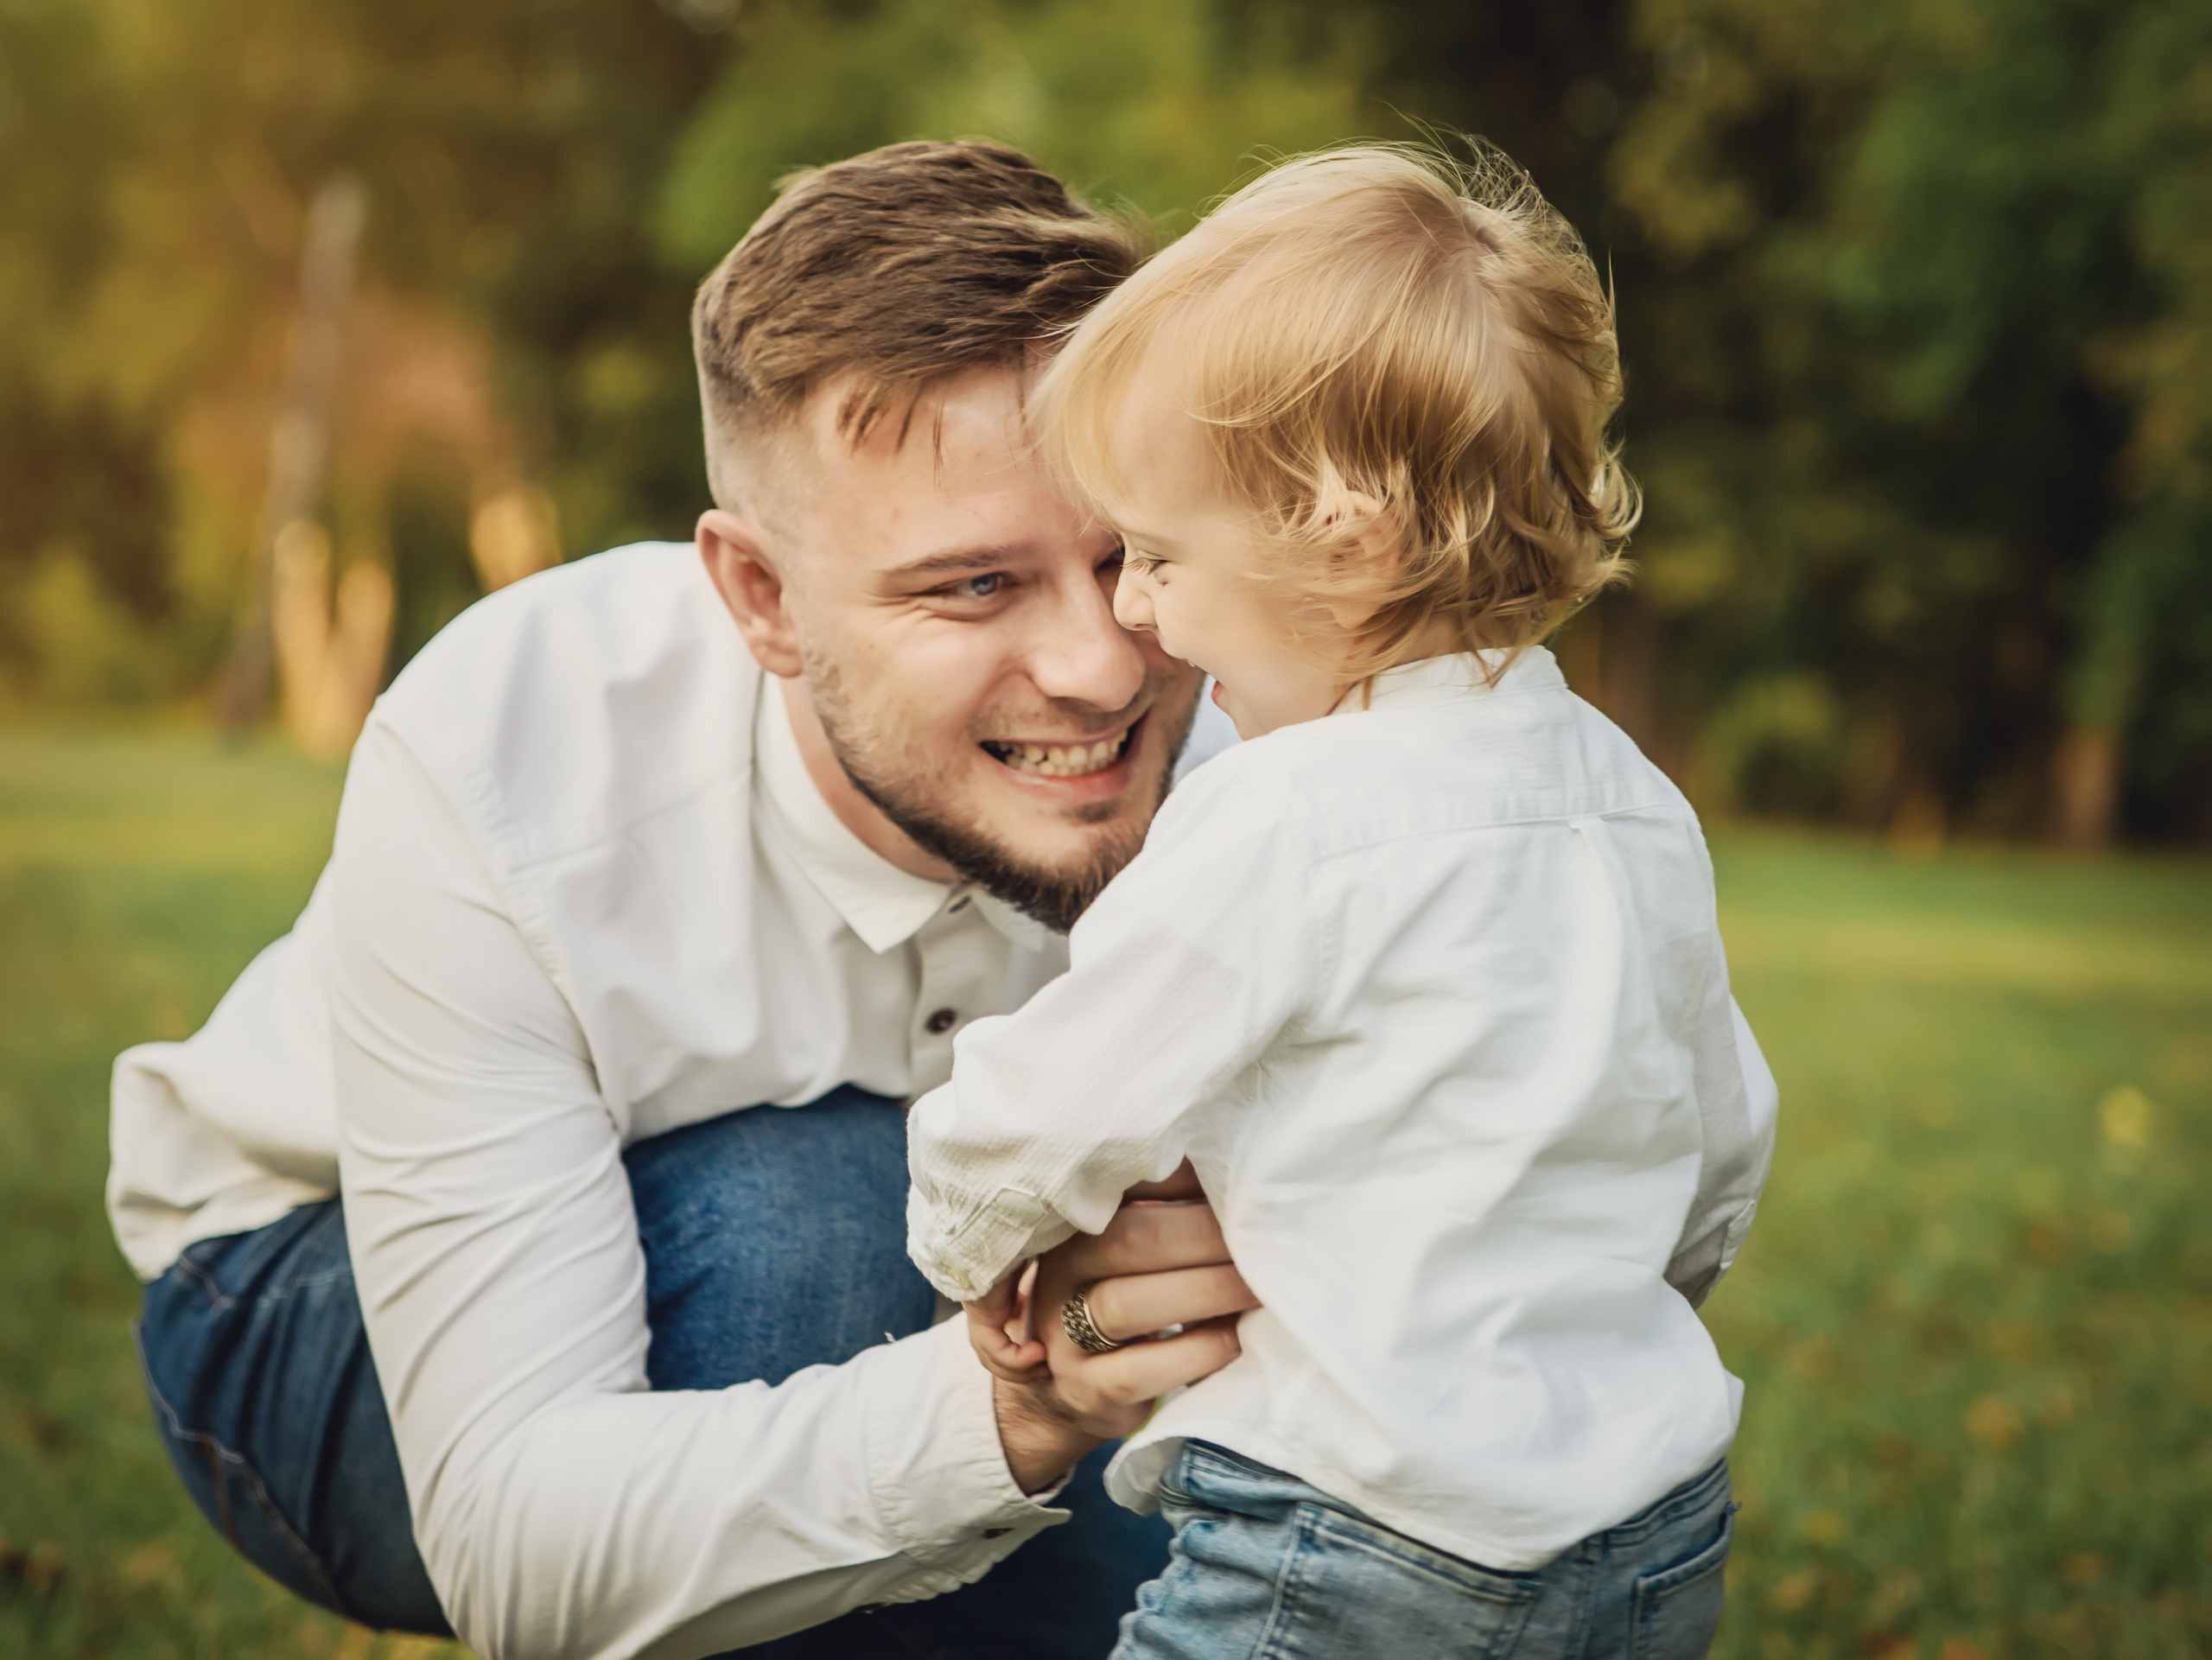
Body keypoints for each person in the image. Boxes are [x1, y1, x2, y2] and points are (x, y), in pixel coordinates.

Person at [107, 140, 1264, 1660]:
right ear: (763, 600)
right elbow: (517, 1537)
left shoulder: (1259, 731)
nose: (1104, 668)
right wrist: (1018, 1396)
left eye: (1127, 558)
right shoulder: (507, 755)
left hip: (972, 1310)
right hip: (305, 1285)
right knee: (830, 1217)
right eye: (973, 587)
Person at [904, 143, 1779, 1658]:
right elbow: (1719, 1135)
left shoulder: (1285, 814)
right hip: (1649, 1537)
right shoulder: (1629, 794)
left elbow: (1061, 1093)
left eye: (1162, 556)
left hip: (1359, 1540)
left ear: (1347, 541)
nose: (1133, 609)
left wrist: (973, 1240)